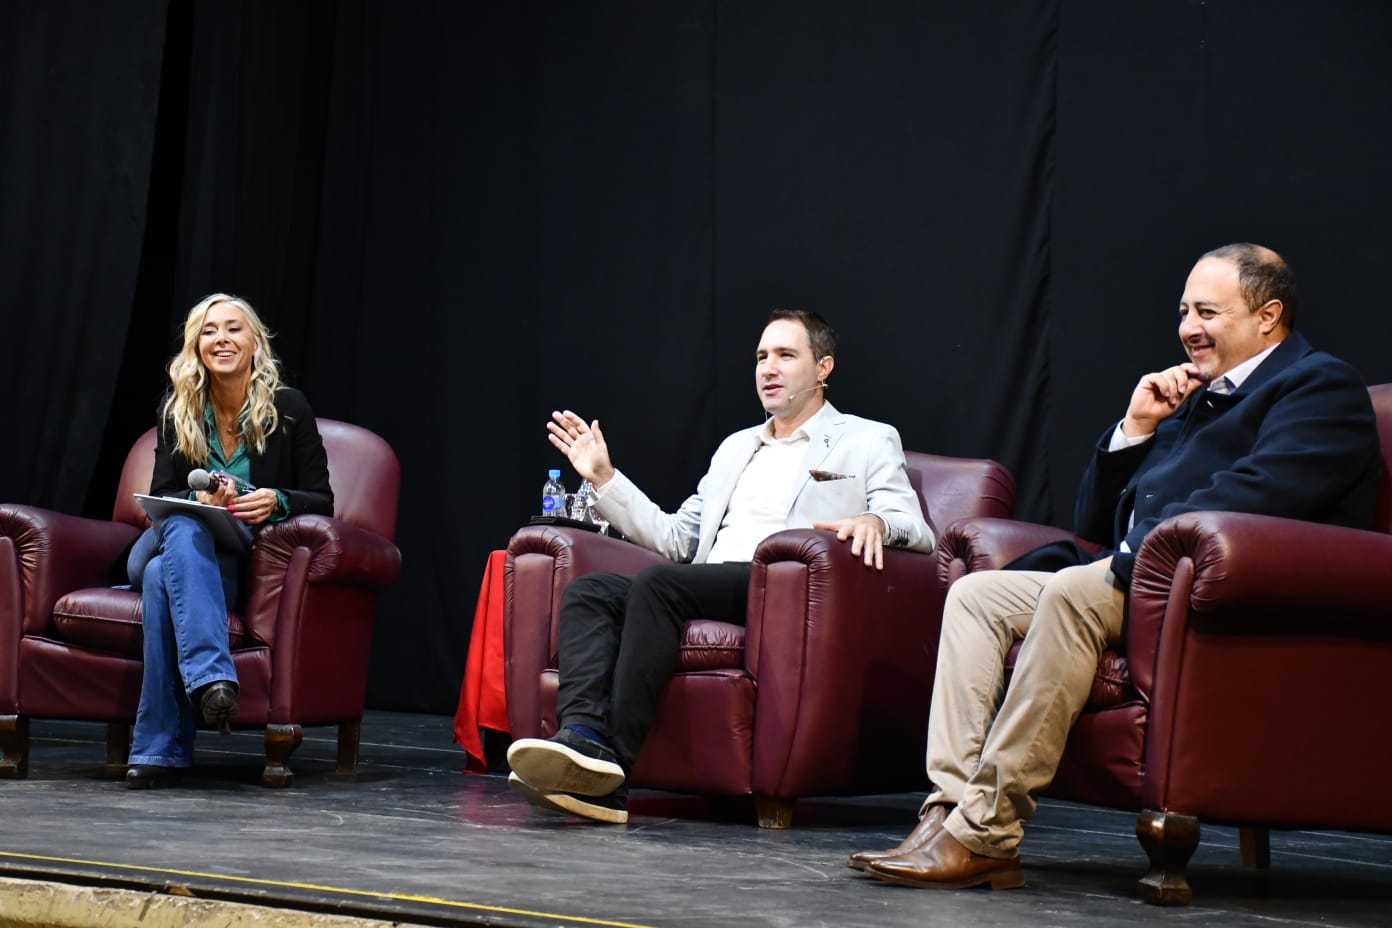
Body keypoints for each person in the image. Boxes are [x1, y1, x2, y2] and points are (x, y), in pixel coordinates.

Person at [849, 242, 1381, 889]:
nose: (1188, 327)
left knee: (1071, 590)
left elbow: (1262, 494)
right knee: (978, 596)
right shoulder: (1198, 396)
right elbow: (1097, 524)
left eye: (1207, 311)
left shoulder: (1320, 387)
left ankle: (986, 832)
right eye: (1184, 311)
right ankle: (949, 810)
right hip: (1141, 580)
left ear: (1268, 316)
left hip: (1223, 595)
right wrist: (1135, 429)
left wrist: (1138, 552)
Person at [506, 308, 935, 823]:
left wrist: (876, 522)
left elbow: (916, 528)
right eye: (760, 357)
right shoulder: (736, 447)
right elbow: (677, 538)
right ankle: (582, 737)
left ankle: (615, 765)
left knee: (660, 586)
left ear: (823, 368)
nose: (768, 368)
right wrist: (605, 479)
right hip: (707, 579)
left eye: (785, 355)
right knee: (590, 591)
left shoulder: (864, 438)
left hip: (783, 590)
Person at [124, 293, 333, 789]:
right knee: (178, 525)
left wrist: (276, 500)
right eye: (210, 330)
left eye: (234, 328)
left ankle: (159, 749)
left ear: (255, 342)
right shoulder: (179, 409)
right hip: (167, 543)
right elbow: (162, 496)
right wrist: (202, 503)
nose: (222, 338)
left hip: (233, 557)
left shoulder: (288, 409)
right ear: (197, 347)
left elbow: (321, 499)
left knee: (159, 581)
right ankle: (210, 678)